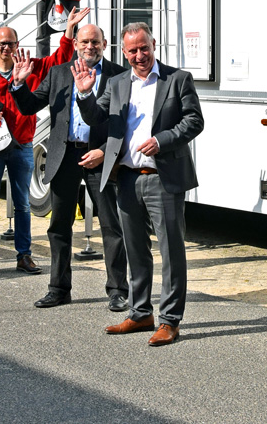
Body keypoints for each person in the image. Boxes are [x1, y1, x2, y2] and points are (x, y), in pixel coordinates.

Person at [74, 22, 203, 347]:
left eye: (144, 48)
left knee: (171, 252)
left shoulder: (177, 79)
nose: (139, 55)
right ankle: (141, 312)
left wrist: (161, 140)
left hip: (163, 179)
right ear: (124, 52)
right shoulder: (117, 83)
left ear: (154, 45)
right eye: (132, 50)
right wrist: (85, 93)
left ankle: (169, 320)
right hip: (128, 178)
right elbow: (95, 117)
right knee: (135, 250)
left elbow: (194, 121)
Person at [11, 22, 129, 312]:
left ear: (104, 45)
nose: (90, 46)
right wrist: (19, 84)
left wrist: (104, 151)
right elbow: (29, 106)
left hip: (100, 157)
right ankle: (59, 289)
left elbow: (127, 122)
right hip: (64, 155)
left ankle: (117, 291)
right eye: (84, 41)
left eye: (95, 42)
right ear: (75, 44)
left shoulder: (119, 75)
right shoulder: (59, 73)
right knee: (59, 226)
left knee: (111, 226)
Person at [0, 9, 85, 277]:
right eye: (1, 43)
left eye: (10, 43)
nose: (6, 48)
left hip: (22, 145)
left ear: (17, 45)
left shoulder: (32, 67)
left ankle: (24, 256)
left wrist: (69, 31)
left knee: (23, 205)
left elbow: (60, 59)